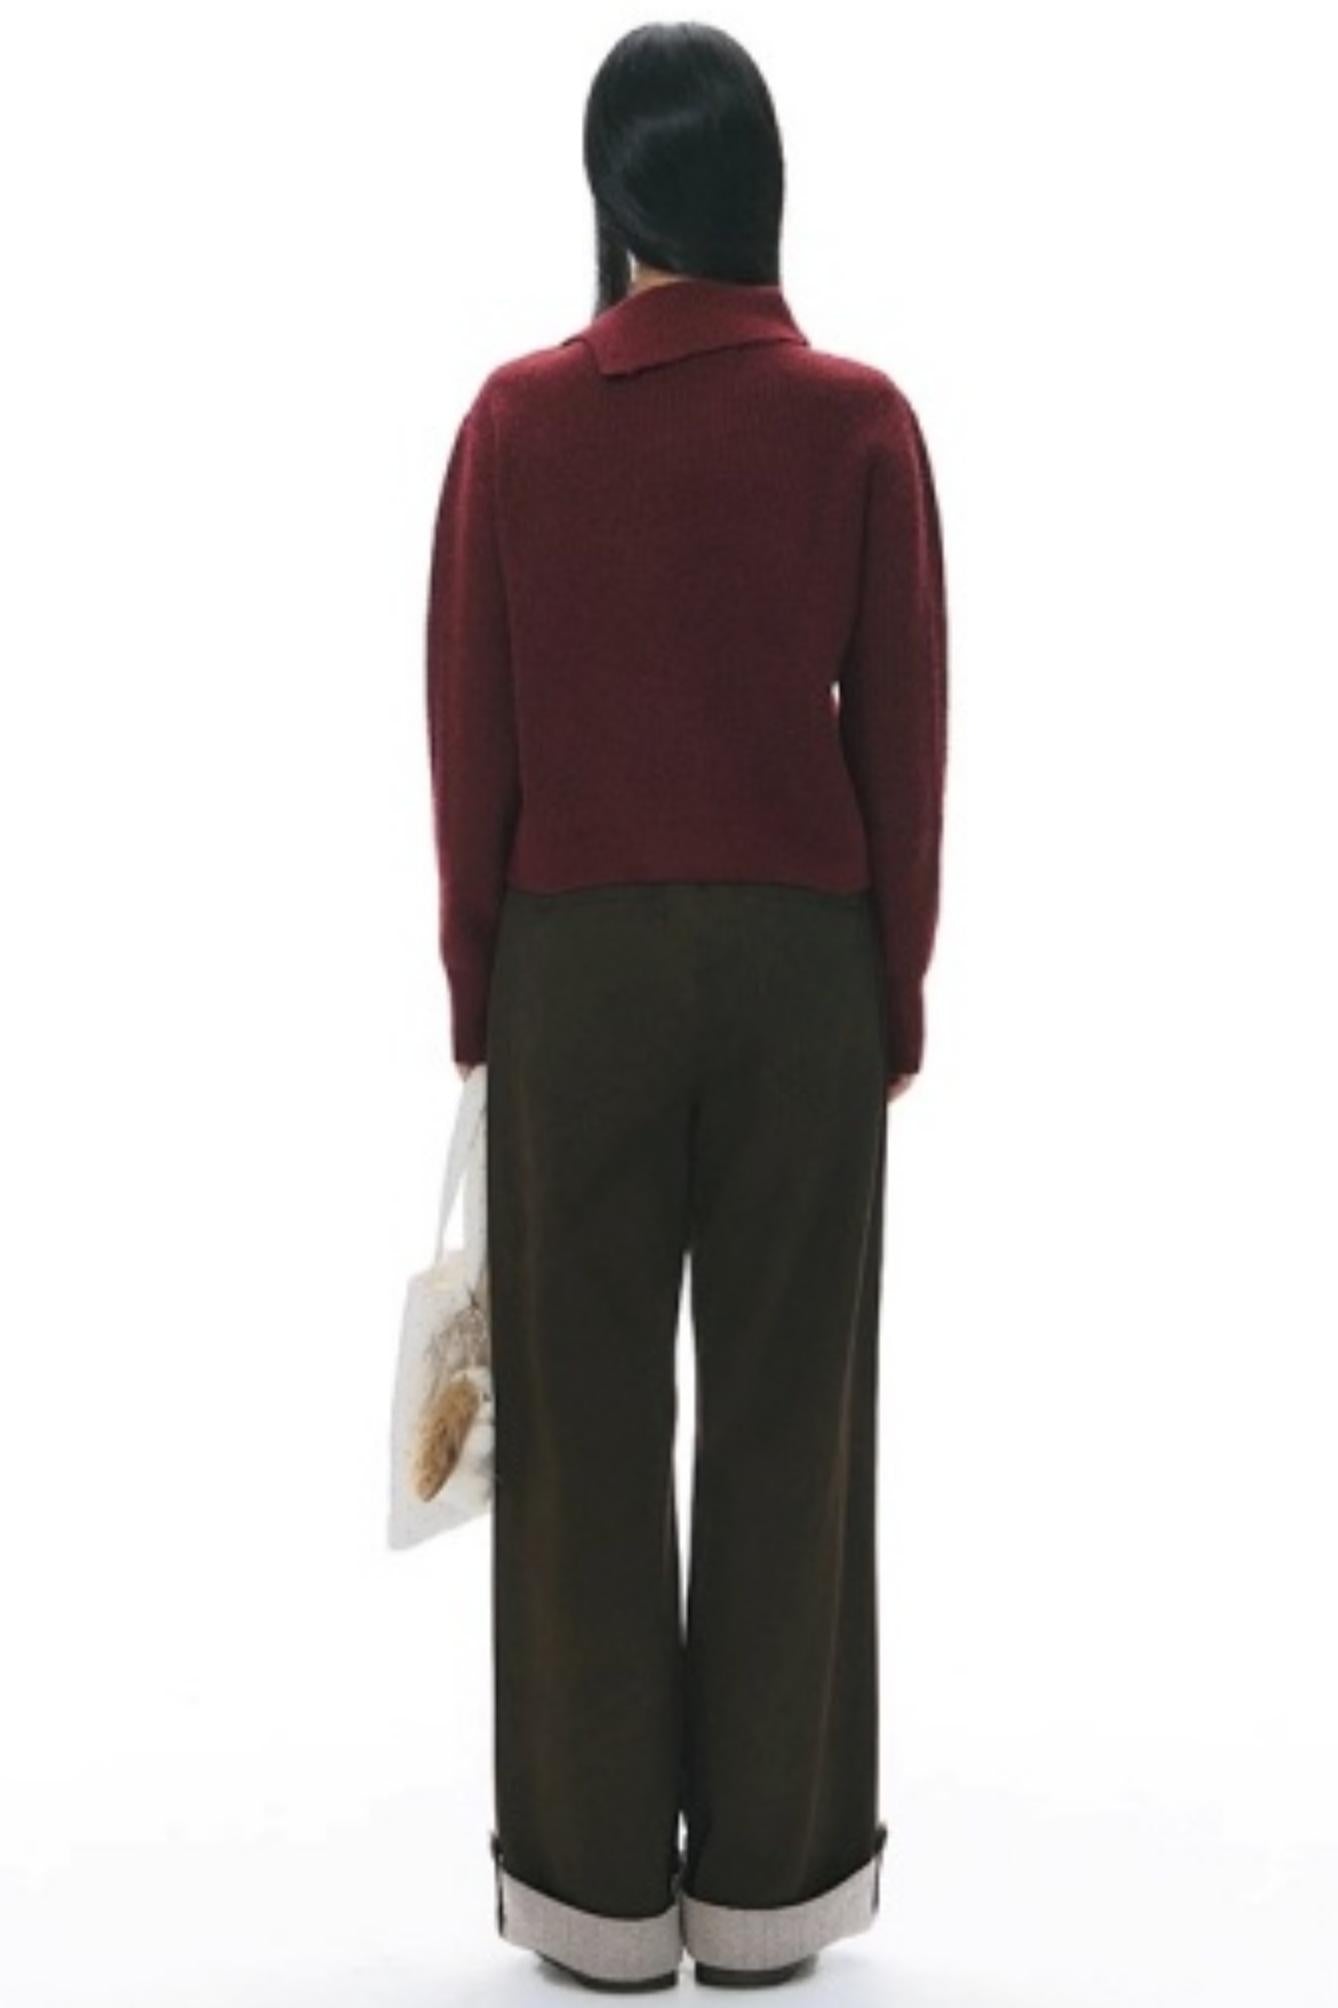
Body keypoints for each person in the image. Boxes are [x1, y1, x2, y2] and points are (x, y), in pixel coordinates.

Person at [424, 20, 948, 1992]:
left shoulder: (515, 424)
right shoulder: (860, 423)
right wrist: (891, 993)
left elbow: (470, 735)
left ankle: (590, 1897)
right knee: (792, 1418)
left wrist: (479, 992)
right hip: (803, 965)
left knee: (575, 1426)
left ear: (611, 194)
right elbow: (905, 740)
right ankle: (770, 1891)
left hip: (578, 964)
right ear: (759, 188)